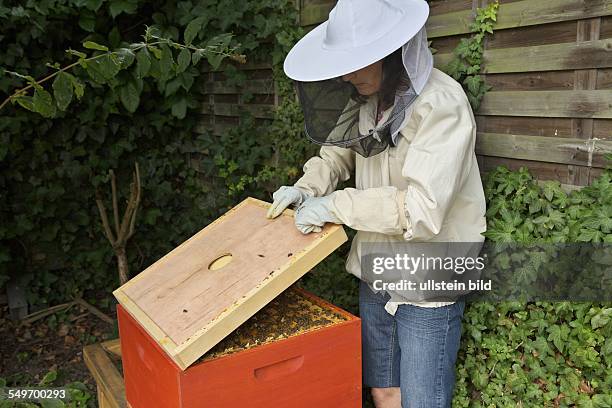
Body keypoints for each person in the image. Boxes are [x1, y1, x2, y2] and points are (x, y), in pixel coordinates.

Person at [267, 0, 487, 407]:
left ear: (389, 53)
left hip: (428, 279)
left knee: (422, 401)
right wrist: (307, 189)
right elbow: (336, 154)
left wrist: (336, 206)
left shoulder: (442, 104)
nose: (348, 74)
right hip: (376, 272)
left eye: (357, 62)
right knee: (384, 390)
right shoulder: (368, 101)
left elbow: (423, 209)